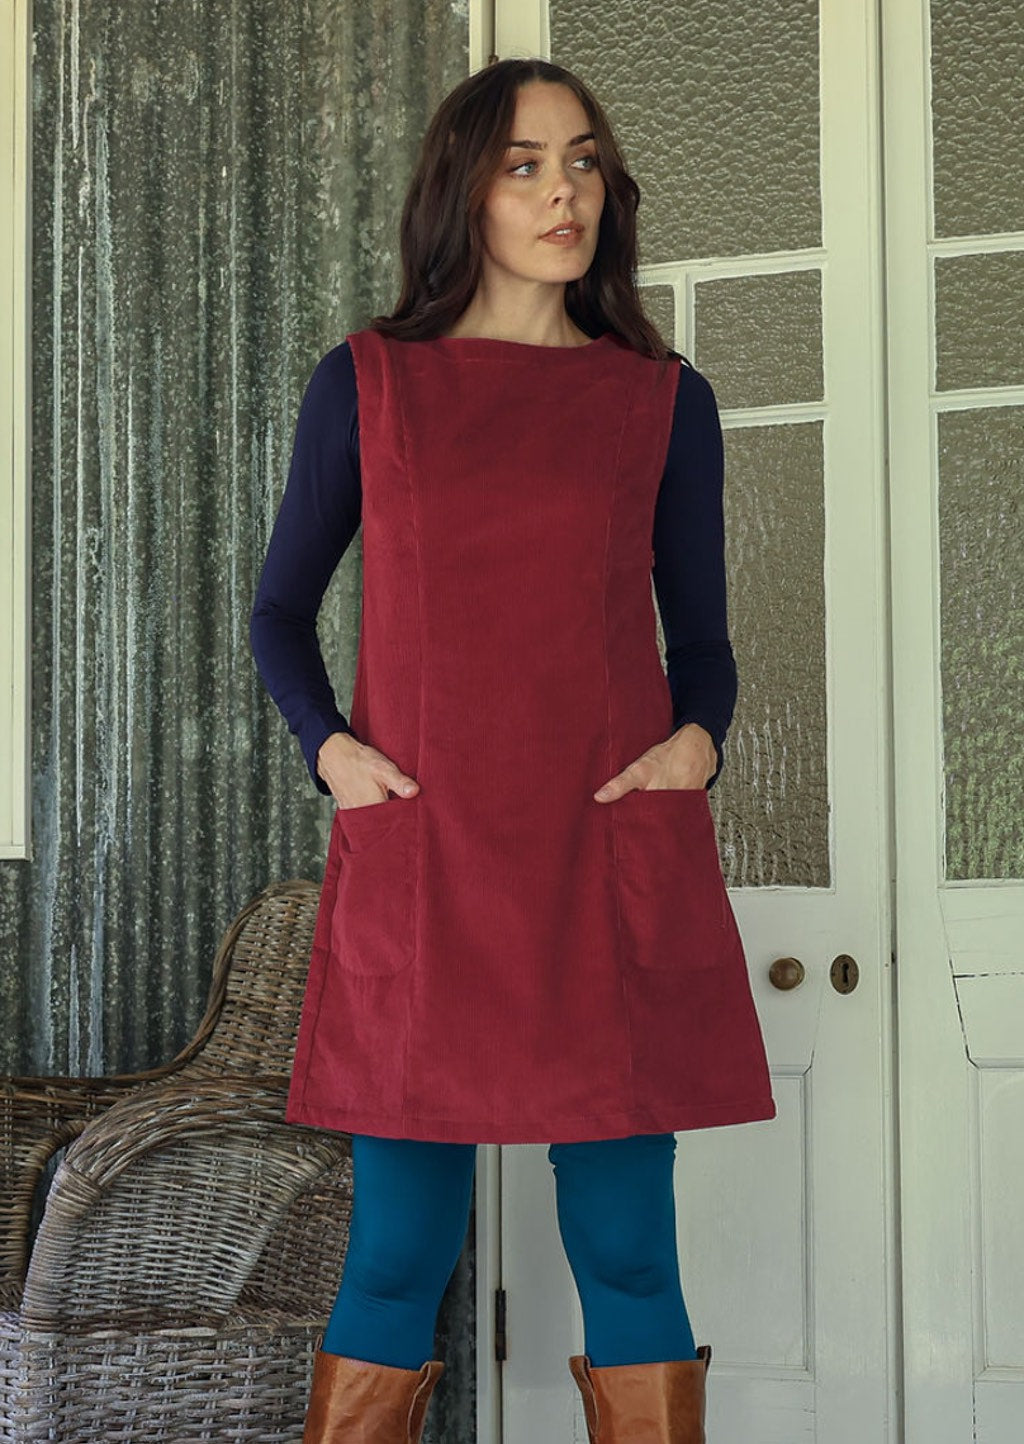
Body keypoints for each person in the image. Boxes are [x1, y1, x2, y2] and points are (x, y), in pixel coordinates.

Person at [249, 56, 775, 1444]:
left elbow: (703, 646)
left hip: (602, 867)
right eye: (528, 164)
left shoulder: (663, 400)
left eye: (585, 161)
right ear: (463, 193)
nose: (565, 192)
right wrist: (334, 755)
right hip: (425, 867)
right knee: (397, 1260)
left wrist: (697, 747)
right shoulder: (367, 383)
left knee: (628, 1257)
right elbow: (279, 613)